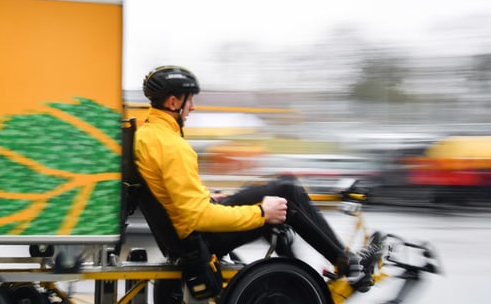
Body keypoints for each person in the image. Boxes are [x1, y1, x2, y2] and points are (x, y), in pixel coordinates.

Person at [133, 65, 383, 291]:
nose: (194, 107)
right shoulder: (173, 146)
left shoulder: (148, 135)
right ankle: (348, 265)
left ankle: (305, 277)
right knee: (287, 190)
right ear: (174, 102)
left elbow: (175, 196)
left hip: (183, 235)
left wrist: (210, 198)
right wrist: (262, 213)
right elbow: (197, 216)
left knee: (277, 190)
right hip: (199, 238)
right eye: (190, 100)